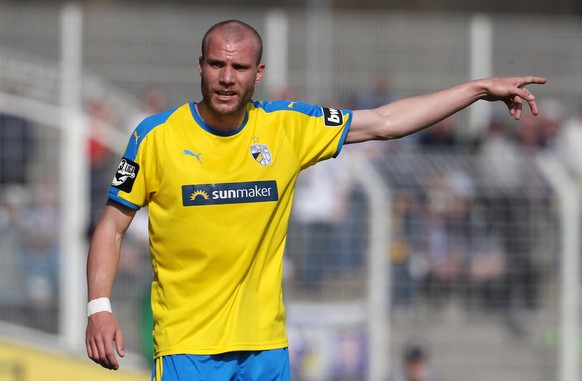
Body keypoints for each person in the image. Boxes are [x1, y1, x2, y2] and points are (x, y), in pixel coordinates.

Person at [85, 19, 546, 380]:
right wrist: (99, 308)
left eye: (239, 68)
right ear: (200, 66)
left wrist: (478, 89)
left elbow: (385, 120)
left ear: (258, 73)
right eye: (216, 65)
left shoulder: (287, 126)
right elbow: (111, 225)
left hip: (265, 348)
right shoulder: (155, 138)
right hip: (187, 349)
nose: (227, 78)